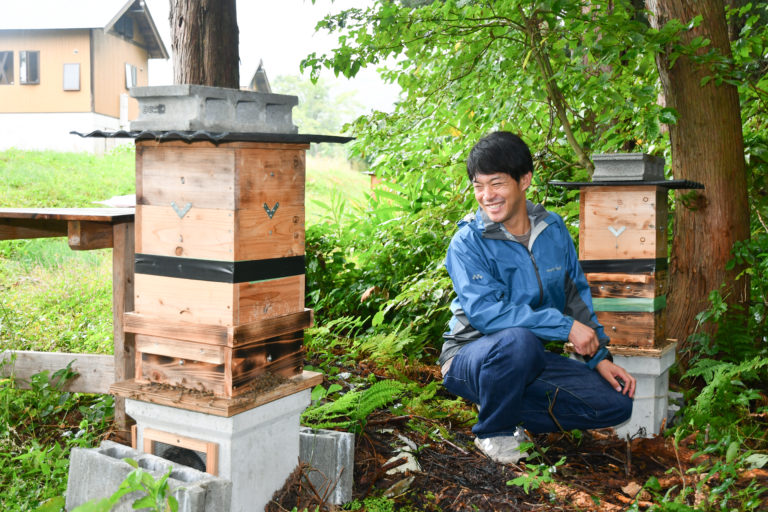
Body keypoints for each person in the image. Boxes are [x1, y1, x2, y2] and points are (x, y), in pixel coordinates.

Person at [440, 131, 635, 464]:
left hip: (525, 361)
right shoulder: (467, 242)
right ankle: (494, 431)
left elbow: (574, 293)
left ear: (524, 180)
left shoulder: (552, 229)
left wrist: (598, 356)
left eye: (497, 184)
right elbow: (487, 314)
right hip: (469, 356)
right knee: (520, 340)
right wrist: (564, 328)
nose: (487, 196)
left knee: (615, 404)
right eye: (478, 185)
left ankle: (503, 405)